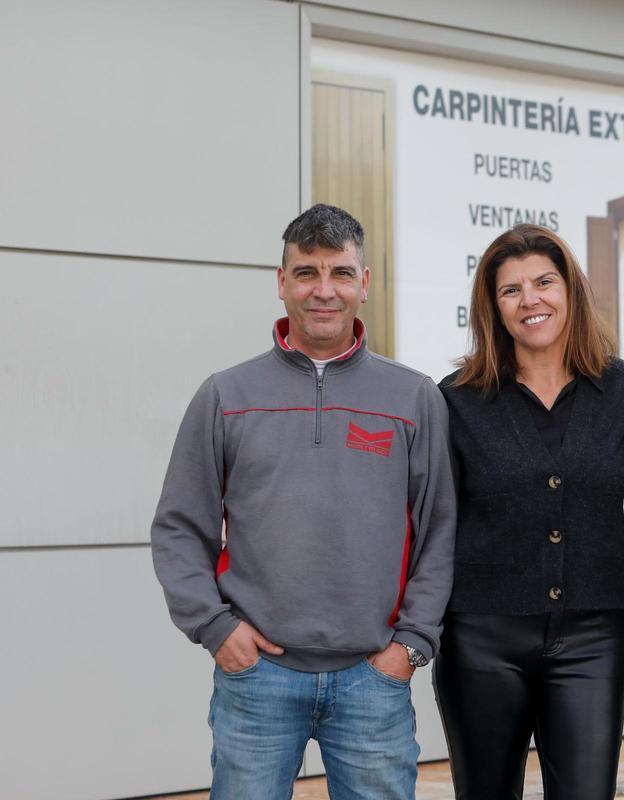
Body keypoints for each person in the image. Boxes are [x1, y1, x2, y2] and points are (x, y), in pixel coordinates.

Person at [150, 204, 456, 800]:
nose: (324, 290)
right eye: (307, 272)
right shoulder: (226, 395)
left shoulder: (412, 397)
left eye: (341, 273)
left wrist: (411, 643)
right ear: (282, 281)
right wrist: (215, 628)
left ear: (365, 284)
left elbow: (439, 529)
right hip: (258, 679)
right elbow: (179, 526)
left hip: (375, 677)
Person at [434, 224, 624, 800]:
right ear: (492, 308)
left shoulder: (623, 389)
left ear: (571, 291)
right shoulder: (457, 398)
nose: (531, 299)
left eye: (544, 282)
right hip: (481, 642)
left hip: (591, 638)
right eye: (511, 290)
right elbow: (433, 525)